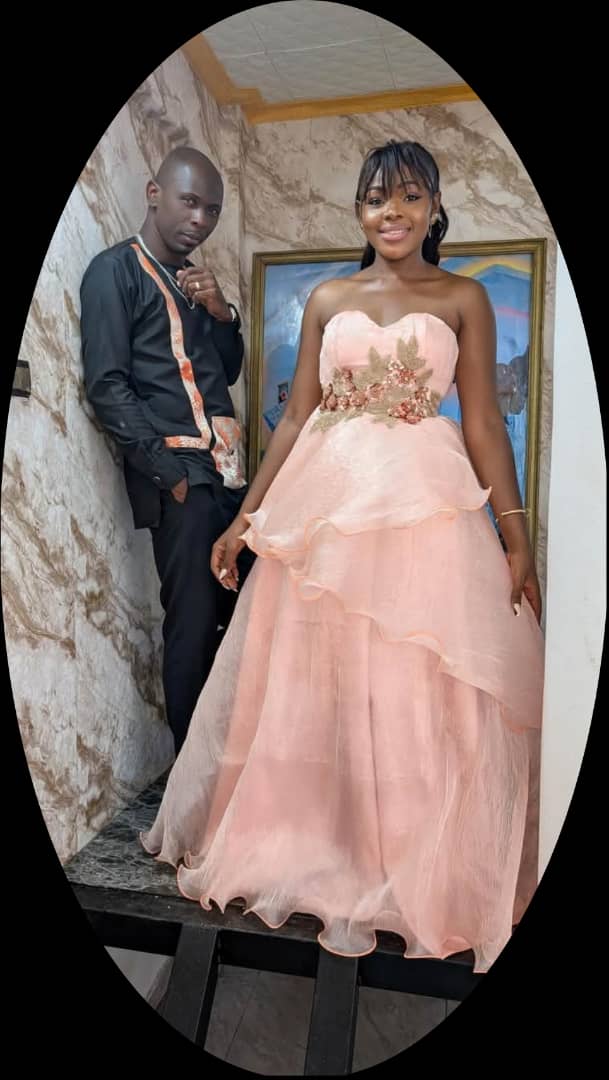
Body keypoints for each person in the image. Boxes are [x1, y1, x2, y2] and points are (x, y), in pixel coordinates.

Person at [142, 140, 544, 974]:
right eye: (373, 199)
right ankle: (312, 840)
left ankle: (406, 859)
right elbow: (296, 419)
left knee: (408, 681)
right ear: (359, 212)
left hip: (421, 508)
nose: (389, 212)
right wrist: (244, 521)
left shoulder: (462, 297)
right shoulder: (329, 298)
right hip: (324, 505)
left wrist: (514, 533)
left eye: (407, 196)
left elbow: (479, 423)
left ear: (433, 207)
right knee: (309, 680)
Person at [80, 146, 254, 754]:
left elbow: (226, 372)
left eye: (212, 210)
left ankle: (232, 763)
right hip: (181, 479)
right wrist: (168, 475)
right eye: (190, 202)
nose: (200, 219)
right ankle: (189, 778)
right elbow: (107, 384)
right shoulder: (115, 271)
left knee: (244, 617)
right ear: (154, 194)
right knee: (192, 626)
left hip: (230, 476)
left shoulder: (197, 283)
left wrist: (223, 314)